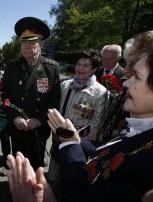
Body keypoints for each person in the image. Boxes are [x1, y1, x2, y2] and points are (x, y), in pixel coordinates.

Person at [6, 25, 153, 202]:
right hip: (60, 139)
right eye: (78, 64)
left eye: (137, 77)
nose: (125, 84)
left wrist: (69, 143)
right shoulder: (140, 128)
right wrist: (72, 141)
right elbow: (108, 149)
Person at [2, 16, 61, 171]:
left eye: (32, 41)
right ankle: (18, 194)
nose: (27, 46)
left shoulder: (51, 68)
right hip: (17, 128)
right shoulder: (11, 68)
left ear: (41, 44)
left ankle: (37, 193)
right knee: (19, 167)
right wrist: (15, 117)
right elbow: (4, 96)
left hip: (38, 129)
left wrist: (39, 120)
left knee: (36, 167)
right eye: (23, 42)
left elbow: (54, 101)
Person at [47, 49, 107, 195]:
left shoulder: (100, 93)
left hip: (79, 149)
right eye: (78, 64)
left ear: (94, 69)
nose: (80, 69)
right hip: (58, 143)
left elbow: (98, 124)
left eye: (85, 66)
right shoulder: (65, 85)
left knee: (73, 184)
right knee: (53, 182)